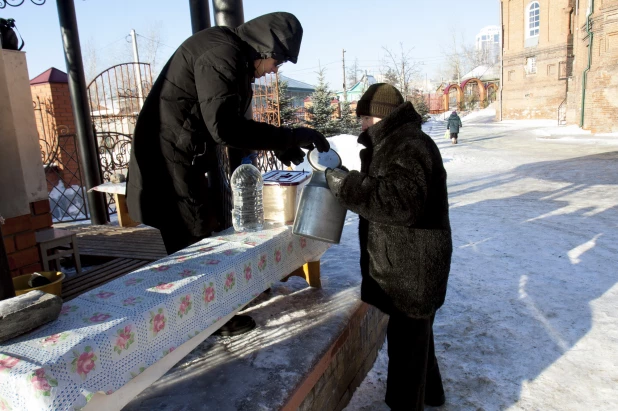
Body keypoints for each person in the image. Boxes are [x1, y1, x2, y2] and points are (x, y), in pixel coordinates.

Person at [126, 12, 329, 336]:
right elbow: (224, 126)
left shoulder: (231, 53)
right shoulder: (222, 54)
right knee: (193, 239)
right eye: (278, 60)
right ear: (265, 48)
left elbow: (227, 122)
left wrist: (277, 145)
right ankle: (209, 319)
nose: (275, 70)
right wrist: (290, 136)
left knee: (216, 225)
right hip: (170, 162)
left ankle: (227, 297)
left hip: (189, 157)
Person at [324, 84, 452, 410]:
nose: (362, 124)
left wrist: (350, 186)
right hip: (407, 266)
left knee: (407, 349)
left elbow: (401, 203)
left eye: (365, 117)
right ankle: (432, 394)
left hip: (414, 270)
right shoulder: (393, 143)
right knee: (417, 336)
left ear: (381, 115)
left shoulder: (409, 145)